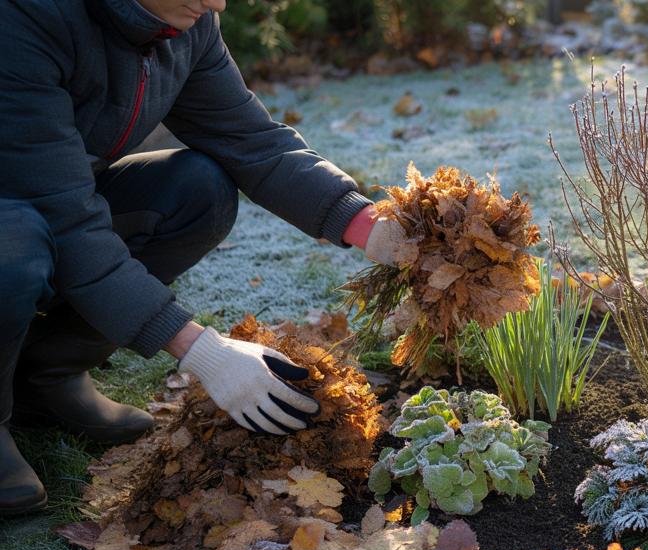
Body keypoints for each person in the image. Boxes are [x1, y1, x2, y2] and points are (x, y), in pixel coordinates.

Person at [0, 0, 409, 516]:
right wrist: (200, 349)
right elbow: (65, 219)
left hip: (49, 192)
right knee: (14, 252)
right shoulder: (24, 17)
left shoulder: (185, 24)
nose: (217, 3)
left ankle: (45, 377)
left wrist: (367, 225)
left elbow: (250, 141)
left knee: (198, 190)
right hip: (19, 209)